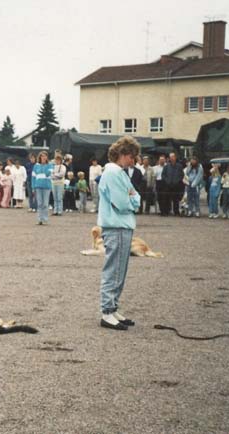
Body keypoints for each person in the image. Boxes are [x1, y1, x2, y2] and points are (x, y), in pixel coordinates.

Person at [97, 136, 141, 331]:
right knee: (114, 270)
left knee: (119, 270)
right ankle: (107, 311)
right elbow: (124, 202)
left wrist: (132, 198)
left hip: (121, 226)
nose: (134, 160)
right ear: (123, 154)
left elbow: (134, 195)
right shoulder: (114, 173)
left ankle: (112, 308)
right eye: (132, 156)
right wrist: (132, 200)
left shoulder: (118, 173)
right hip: (117, 226)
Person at [31, 151, 52, 225]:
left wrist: (44, 166)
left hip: (47, 186)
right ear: (39, 157)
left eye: (45, 156)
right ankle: (39, 219)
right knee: (39, 204)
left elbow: (47, 173)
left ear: (47, 157)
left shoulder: (50, 165)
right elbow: (33, 177)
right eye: (42, 156)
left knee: (45, 204)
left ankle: (45, 219)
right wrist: (33, 187)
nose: (43, 157)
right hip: (38, 186)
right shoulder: (36, 166)